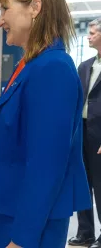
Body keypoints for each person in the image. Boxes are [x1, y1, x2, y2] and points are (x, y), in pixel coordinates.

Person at [0, 0, 91, 247]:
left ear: (34, 8)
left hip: (30, 220)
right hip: (15, 206)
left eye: (5, 9)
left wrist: (23, 238)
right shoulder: (32, 63)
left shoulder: (53, 68)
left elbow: (46, 164)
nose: (0, 20)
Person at [70, 17, 101, 248]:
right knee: (82, 184)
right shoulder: (85, 65)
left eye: (92, 33)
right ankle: (86, 232)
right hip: (81, 132)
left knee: (100, 186)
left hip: (99, 135)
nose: (88, 36)